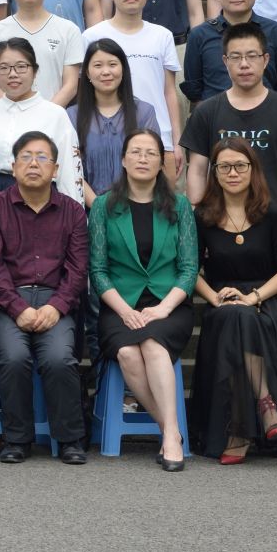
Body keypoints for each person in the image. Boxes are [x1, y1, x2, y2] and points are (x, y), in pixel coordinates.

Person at [190, 140, 277, 463]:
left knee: (242, 318)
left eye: (240, 166)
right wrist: (215, 298)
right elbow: (190, 270)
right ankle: (267, 405)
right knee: (235, 317)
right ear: (214, 172)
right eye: (224, 167)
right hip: (222, 301)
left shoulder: (273, 213)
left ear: (252, 170)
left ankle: (239, 434)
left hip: (267, 298)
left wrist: (253, 297)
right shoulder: (203, 216)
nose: (232, 173)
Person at [0, 131, 91, 463]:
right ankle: (17, 439)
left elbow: (78, 268)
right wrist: (17, 308)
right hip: (5, 303)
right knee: (14, 357)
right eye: (25, 157)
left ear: (55, 169)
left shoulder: (73, 211)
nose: (33, 164)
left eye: (42, 158)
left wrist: (57, 306)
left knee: (59, 359)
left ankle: (70, 439)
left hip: (57, 300)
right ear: (13, 167)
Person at [90, 127, 198, 470]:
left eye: (151, 153)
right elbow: (98, 270)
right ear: (123, 160)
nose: (142, 158)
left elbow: (189, 268)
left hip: (169, 304)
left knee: (152, 345)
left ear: (161, 163)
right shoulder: (104, 206)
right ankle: (172, 431)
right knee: (127, 352)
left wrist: (164, 308)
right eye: (135, 152)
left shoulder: (179, 206)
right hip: (119, 304)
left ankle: (170, 438)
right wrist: (125, 311)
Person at [182, 21, 277, 256]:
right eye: (236, 57)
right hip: (218, 225)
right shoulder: (206, 112)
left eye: (252, 56)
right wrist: (197, 227)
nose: (244, 64)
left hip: (274, 223)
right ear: (225, 61)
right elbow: (197, 170)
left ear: (266, 59)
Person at [82, 0, 184, 156]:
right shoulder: (92, 36)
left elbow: (169, 92)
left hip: (157, 137)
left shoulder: (162, 35)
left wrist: (176, 140)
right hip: (106, 138)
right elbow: (85, 90)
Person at [0, 39, 84, 198]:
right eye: (4, 68)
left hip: (41, 196)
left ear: (35, 71)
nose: (12, 74)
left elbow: (69, 172)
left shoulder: (55, 115)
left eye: (21, 66)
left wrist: (73, 209)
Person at [68, 39, 159, 200]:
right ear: (87, 73)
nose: (106, 72)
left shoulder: (144, 112)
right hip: (88, 207)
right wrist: (98, 206)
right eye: (98, 65)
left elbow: (151, 162)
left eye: (112, 64)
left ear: (123, 69)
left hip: (135, 205)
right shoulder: (72, 116)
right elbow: (71, 169)